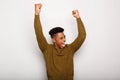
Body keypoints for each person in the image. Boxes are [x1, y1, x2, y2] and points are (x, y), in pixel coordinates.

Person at [34, 3, 86, 80]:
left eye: (64, 37)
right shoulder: (47, 49)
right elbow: (39, 33)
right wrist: (37, 14)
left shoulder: (70, 49)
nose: (64, 40)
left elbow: (82, 36)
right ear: (54, 40)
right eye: (61, 38)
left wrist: (78, 18)